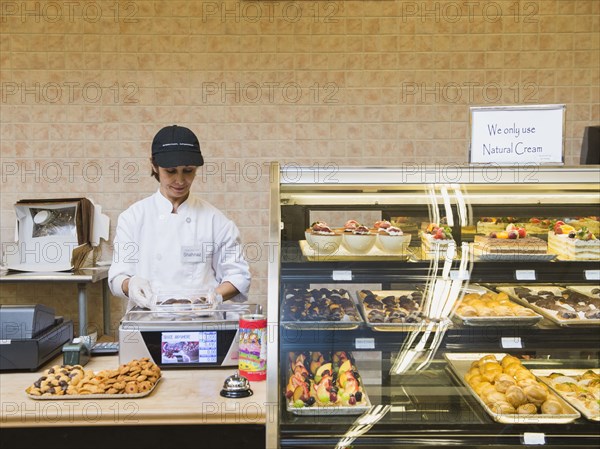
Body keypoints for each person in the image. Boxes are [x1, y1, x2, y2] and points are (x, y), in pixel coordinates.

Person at [108, 125, 251, 309]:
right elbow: (117, 277)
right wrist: (131, 284)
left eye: (188, 171)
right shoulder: (133, 217)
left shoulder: (215, 221)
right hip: (147, 321)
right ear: (154, 165)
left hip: (200, 321)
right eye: (171, 171)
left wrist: (213, 297)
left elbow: (238, 276)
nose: (180, 180)